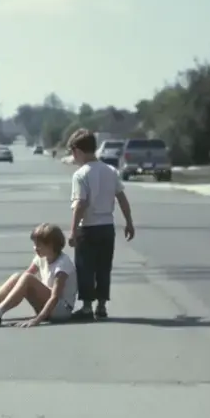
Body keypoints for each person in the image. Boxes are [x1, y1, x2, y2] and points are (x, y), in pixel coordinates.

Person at [67, 129, 135, 320]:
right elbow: (122, 198)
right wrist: (129, 222)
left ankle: (87, 306)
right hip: (107, 227)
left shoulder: (81, 174)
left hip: (87, 228)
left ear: (77, 151)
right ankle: (102, 305)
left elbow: (80, 204)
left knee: (85, 267)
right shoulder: (111, 171)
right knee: (104, 267)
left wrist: (72, 231)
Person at [0, 223, 78, 329]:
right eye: (34, 244)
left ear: (52, 245)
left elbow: (55, 297)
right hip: (47, 306)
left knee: (27, 278)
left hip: (61, 310)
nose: (35, 248)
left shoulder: (62, 265)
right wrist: (7, 291)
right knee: (19, 276)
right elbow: (23, 278)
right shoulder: (42, 257)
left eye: (39, 245)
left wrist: (37, 320)